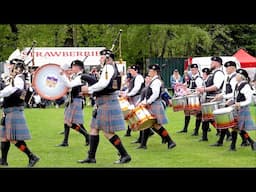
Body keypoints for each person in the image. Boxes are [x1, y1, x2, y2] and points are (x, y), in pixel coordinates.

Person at [77, 49, 131, 164]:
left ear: (107, 58)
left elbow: (103, 84)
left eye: (101, 57)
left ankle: (125, 155)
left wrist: (89, 89)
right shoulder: (110, 67)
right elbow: (102, 84)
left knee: (107, 132)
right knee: (94, 129)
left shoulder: (108, 67)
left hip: (107, 102)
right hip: (103, 102)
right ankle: (91, 157)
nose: (99, 59)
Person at [0, 58, 40, 167]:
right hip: (8, 110)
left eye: (10, 65)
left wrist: (1, 93)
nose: (9, 67)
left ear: (16, 67)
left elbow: (12, 91)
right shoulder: (15, 78)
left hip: (14, 110)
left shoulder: (19, 79)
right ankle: (3, 160)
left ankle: (32, 156)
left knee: (13, 139)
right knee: (3, 137)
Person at [136, 64, 176, 149]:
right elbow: (148, 95)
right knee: (148, 124)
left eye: (150, 71)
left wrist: (148, 102)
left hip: (154, 105)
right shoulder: (153, 80)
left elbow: (155, 94)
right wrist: (143, 102)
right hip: (152, 105)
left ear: (155, 72)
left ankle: (170, 141)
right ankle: (143, 144)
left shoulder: (156, 81)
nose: (149, 72)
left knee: (156, 125)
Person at [56, 60, 89, 147]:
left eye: (73, 67)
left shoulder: (80, 77)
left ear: (78, 67)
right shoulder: (76, 76)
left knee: (70, 123)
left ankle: (87, 135)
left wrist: (63, 75)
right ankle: (65, 141)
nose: (72, 68)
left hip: (76, 100)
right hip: (72, 100)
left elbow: (70, 85)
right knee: (67, 121)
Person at [196, 56, 225, 142]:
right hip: (209, 98)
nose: (211, 64)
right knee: (205, 118)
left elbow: (216, 86)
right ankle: (204, 137)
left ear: (217, 63)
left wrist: (204, 89)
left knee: (218, 119)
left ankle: (228, 135)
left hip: (214, 99)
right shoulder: (213, 73)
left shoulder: (219, 73)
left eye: (212, 62)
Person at [227, 68, 256, 151]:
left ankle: (233, 146)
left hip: (243, 109)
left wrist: (240, 104)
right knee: (237, 128)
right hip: (237, 109)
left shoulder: (246, 86)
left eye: (237, 75)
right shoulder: (237, 84)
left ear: (242, 77)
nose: (236, 76)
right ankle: (251, 142)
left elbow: (249, 100)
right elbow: (235, 97)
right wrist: (230, 101)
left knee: (237, 128)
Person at [177, 64, 204, 135]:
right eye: (192, 70)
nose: (193, 71)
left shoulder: (198, 78)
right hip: (190, 97)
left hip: (196, 98)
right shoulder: (191, 77)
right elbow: (189, 86)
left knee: (197, 114)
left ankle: (196, 131)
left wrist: (191, 92)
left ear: (197, 69)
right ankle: (185, 128)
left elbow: (199, 90)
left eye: (194, 69)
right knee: (186, 112)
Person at [122, 64, 147, 137]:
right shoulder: (134, 78)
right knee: (134, 115)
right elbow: (130, 88)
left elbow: (136, 88)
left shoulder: (139, 77)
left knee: (138, 116)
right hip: (134, 98)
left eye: (132, 70)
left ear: (136, 70)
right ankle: (142, 134)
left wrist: (128, 94)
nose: (131, 72)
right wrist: (125, 93)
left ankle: (142, 135)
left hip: (137, 97)